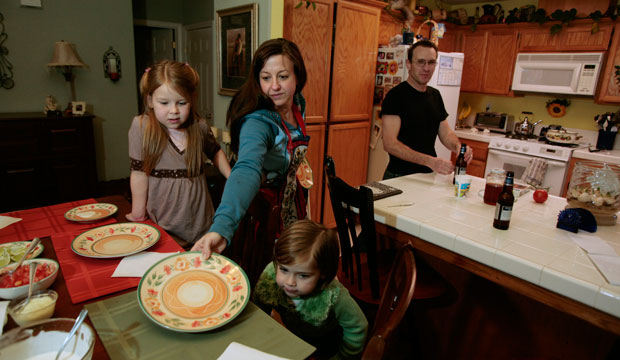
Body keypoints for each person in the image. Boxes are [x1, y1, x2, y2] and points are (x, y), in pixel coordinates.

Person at [192, 38, 310, 259]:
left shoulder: (298, 104)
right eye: (266, 78)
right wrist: (222, 227)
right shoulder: (257, 123)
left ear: (297, 77)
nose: (274, 86)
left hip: (292, 202)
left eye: (283, 77)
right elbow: (247, 168)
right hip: (263, 212)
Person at [127, 60, 231, 247]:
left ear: (192, 99)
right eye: (164, 103)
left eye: (181, 103)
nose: (173, 111)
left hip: (200, 223)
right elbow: (139, 173)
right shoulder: (142, 127)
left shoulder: (198, 127)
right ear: (150, 100)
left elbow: (215, 152)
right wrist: (138, 213)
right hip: (162, 224)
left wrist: (231, 176)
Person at [253, 220, 368, 359]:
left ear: (323, 273)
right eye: (284, 269)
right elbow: (259, 310)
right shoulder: (270, 277)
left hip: (327, 347)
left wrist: (343, 357)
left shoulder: (334, 296)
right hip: (295, 342)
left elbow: (358, 326)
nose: (290, 282)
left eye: (303, 275)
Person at [380, 39, 472, 179]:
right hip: (399, 177)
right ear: (409, 64)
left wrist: (458, 147)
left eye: (431, 62)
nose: (426, 68)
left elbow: (445, 133)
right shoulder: (395, 96)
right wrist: (430, 161)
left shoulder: (435, 95)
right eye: (421, 62)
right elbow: (389, 144)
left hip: (427, 176)